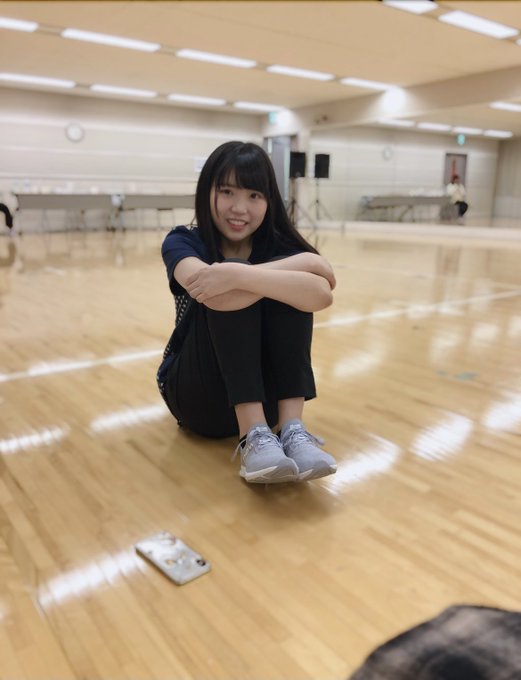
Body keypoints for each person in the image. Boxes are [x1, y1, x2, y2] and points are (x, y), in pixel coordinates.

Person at [158, 141, 337, 484]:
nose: (239, 208)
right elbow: (212, 293)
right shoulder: (183, 241)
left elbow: (321, 295)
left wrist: (238, 275)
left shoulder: (278, 246)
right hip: (198, 397)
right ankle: (251, 434)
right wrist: (304, 264)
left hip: (268, 398)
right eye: (227, 191)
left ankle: (292, 429)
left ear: (269, 201)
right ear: (207, 191)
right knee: (266, 284)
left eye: (254, 195)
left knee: (283, 288)